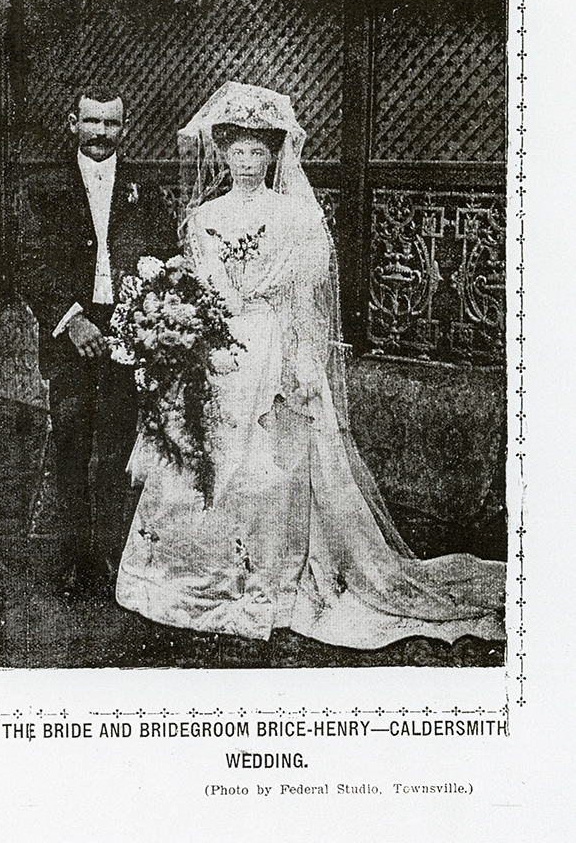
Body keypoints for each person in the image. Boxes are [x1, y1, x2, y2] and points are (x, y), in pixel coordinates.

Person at [115, 82, 505, 648]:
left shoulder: (295, 217)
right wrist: (195, 337)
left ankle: (265, 578)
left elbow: (303, 299)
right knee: (201, 452)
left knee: (271, 461)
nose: (246, 162)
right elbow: (205, 288)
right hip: (221, 345)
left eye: (257, 151)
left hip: (274, 340)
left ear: (274, 155)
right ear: (222, 155)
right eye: (237, 151)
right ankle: (186, 574)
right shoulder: (202, 218)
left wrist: (301, 360)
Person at [20, 87, 178, 596]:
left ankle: (109, 557)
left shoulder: (144, 188)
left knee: (117, 445)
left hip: (128, 331)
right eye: (91, 122)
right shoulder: (45, 186)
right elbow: (30, 261)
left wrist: (147, 319)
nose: (100, 133)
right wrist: (71, 318)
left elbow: (165, 257)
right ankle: (72, 559)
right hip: (71, 332)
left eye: (111, 124)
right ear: (73, 123)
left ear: (123, 129)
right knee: (70, 439)